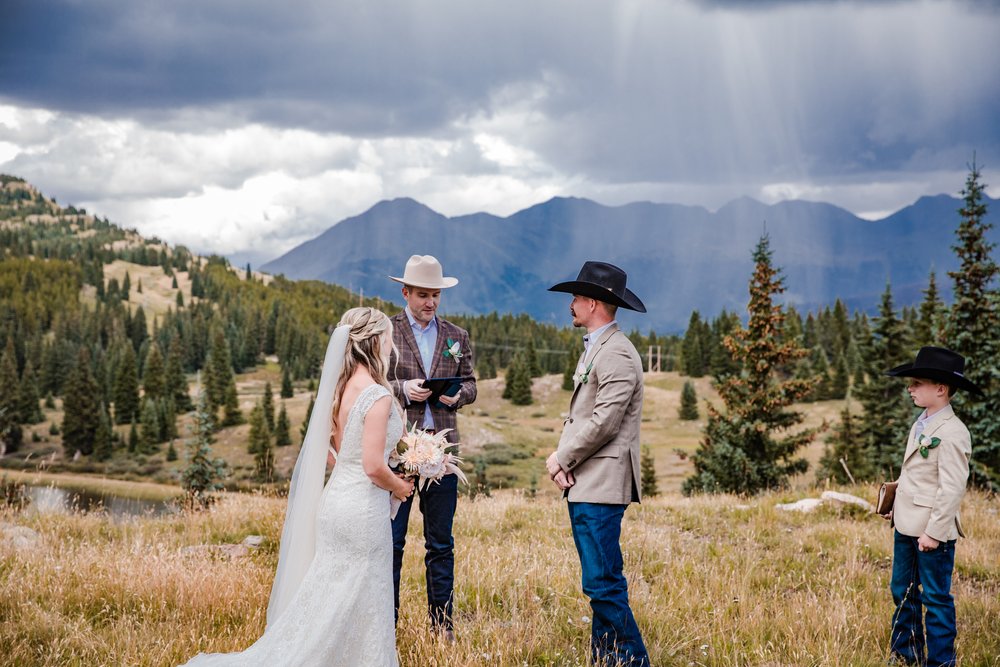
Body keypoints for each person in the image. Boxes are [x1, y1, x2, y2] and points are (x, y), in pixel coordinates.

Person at [180, 307, 414, 667]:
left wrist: (356, 469)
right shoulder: (378, 396)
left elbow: (330, 454)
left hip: (335, 501)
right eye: (387, 336)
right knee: (364, 593)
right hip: (362, 511)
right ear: (374, 341)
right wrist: (399, 486)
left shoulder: (340, 390)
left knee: (328, 593)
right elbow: (372, 466)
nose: (391, 343)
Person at [544, 260, 651, 667]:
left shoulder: (619, 354)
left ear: (592, 303)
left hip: (604, 482)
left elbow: (605, 422)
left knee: (602, 582)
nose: (570, 304)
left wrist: (561, 458)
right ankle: (606, 659)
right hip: (587, 479)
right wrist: (567, 464)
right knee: (598, 580)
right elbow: (582, 417)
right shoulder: (599, 347)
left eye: (575, 297)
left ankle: (631, 659)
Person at [386, 255, 477, 640]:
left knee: (440, 544)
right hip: (397, 453)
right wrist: (403, 390)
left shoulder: (457, 335)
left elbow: (471, 384)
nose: (430, 302)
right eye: (423, 294)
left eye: (435, 295)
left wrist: (457, 398)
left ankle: (443, 629)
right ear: (405, 292)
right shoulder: (386, 333)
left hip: (443, 454)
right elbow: (369, 385)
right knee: (391, 543)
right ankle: (384, 625)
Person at [884, 346, 982, 667]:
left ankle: (940, 662)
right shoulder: (921, 424)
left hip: (931, 534)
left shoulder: (954, 433)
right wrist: (894, 503)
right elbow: (913, 473)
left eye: (917, 383)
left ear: (940, 389)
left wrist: (935, 533)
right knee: (903, 589)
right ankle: (906, 654)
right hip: (906, 523)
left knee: (936, 598)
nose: (910, 388)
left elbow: (951, 488)